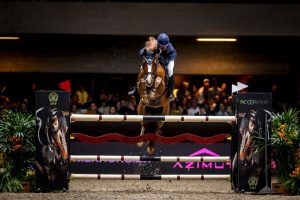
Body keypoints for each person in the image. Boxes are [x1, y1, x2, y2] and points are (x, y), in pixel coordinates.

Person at [128, 33, 177, 101]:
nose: (162, 47)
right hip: (156, 58)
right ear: (158, 43)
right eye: (161, 46)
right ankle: (135, 89)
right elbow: (141, 52)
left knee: (170, 71)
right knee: (141, 68)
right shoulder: (154, 43)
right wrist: (144, 50)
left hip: (168, 59)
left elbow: (166, 62)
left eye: (164, 46)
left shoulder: (171, 50)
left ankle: (170, 92)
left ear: (167, 44)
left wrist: (159, 57)